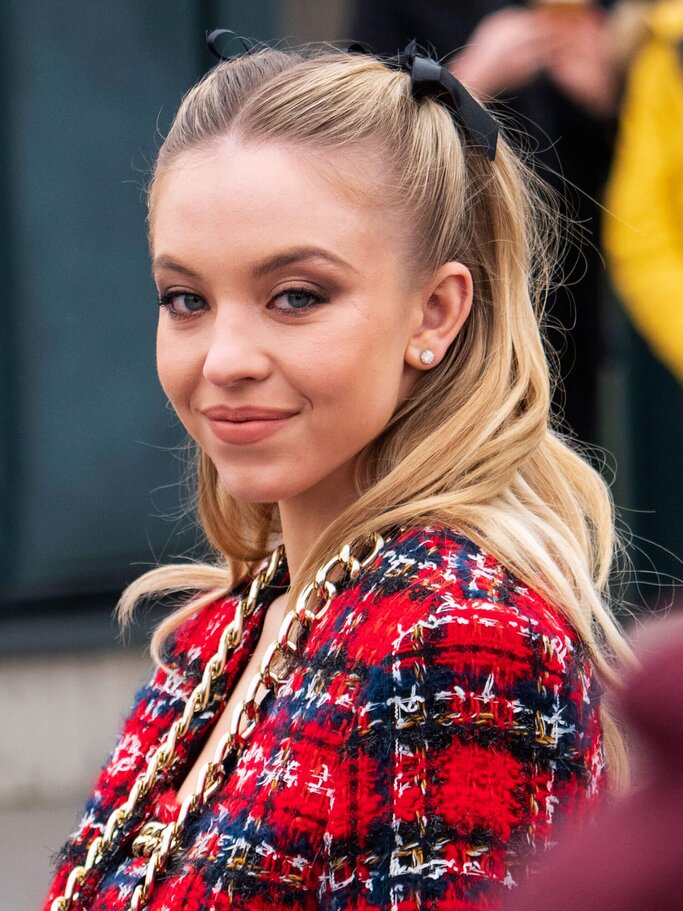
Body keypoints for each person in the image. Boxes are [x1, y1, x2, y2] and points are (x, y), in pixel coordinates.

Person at [45, 39, 632, 911]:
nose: (225, 359)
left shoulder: (458, 637)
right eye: (186, 300)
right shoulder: (228, 624)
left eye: (295, 296)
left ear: (433, 312)